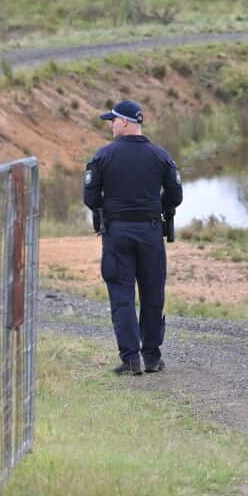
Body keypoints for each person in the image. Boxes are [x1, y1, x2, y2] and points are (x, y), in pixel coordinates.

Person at [84, 100, 183, 375]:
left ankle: (130, 359)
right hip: (151, 232)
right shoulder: (161, 156)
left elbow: (90, 197)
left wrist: (112, 207)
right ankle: (152, 357)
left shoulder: (103, 156)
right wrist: (155, 208)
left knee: (122, 294)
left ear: (124, 122)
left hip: (117, 233)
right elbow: (176, 196)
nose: (111, 125)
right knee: (152, 294)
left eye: (113, 121)